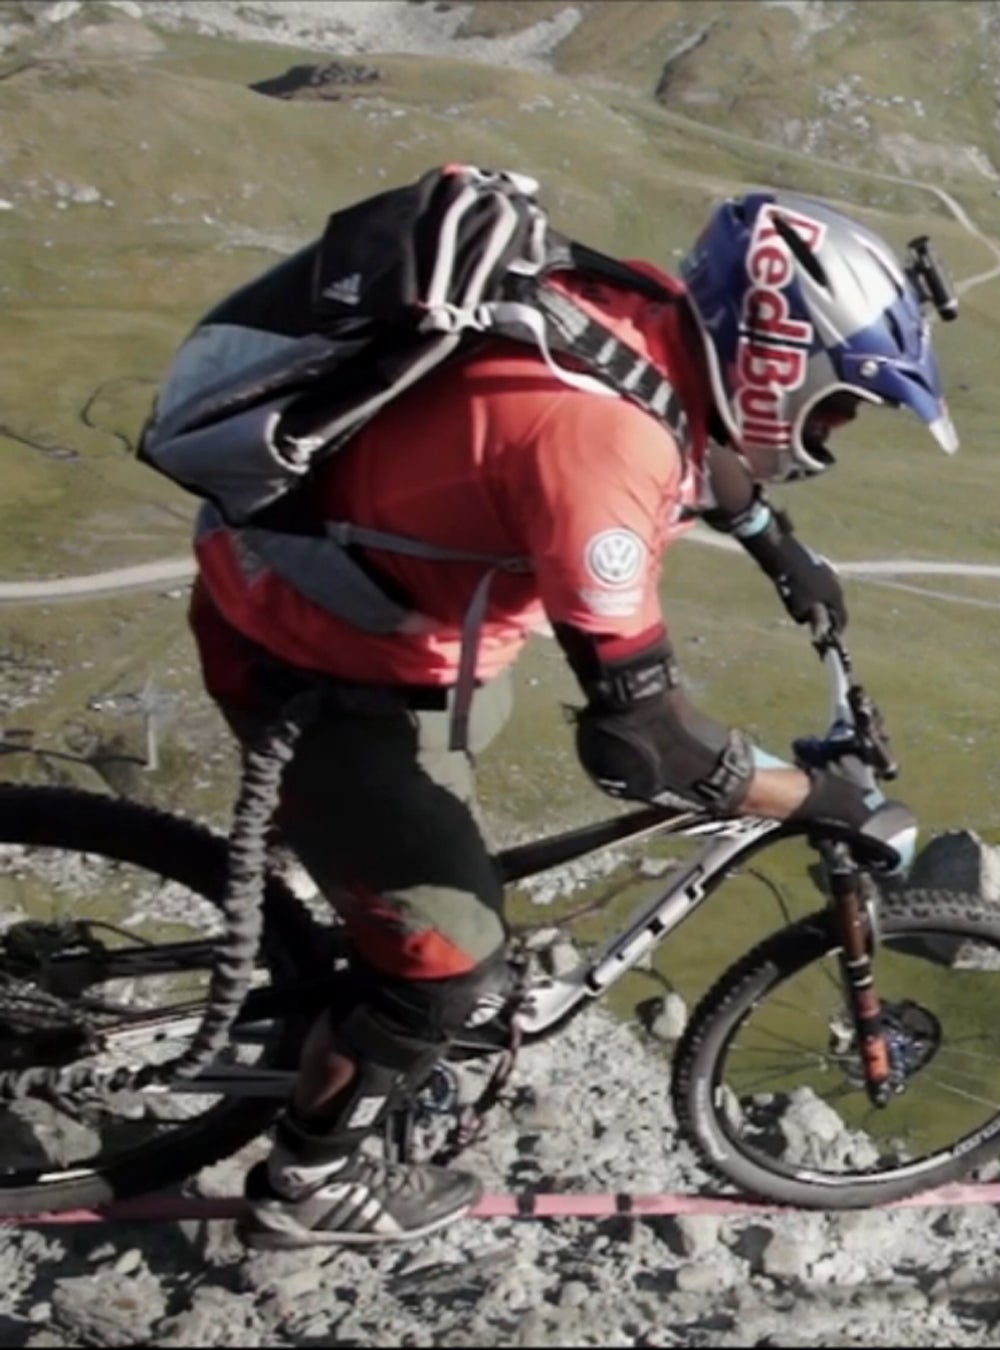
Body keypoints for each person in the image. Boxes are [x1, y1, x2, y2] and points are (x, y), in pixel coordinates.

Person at [180, 188, 956, 1249]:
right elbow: (644, 745)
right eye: (838, 408)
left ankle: (354, 938)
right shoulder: (600, 451)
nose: (834, 436)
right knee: (449, 969)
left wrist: (780, 546)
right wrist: (818, 800)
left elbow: (695, 427)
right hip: (313, 660)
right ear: (783, 362)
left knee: (442, 845)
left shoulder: (645, 311)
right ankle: (309, 1184)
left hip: (368, 626)